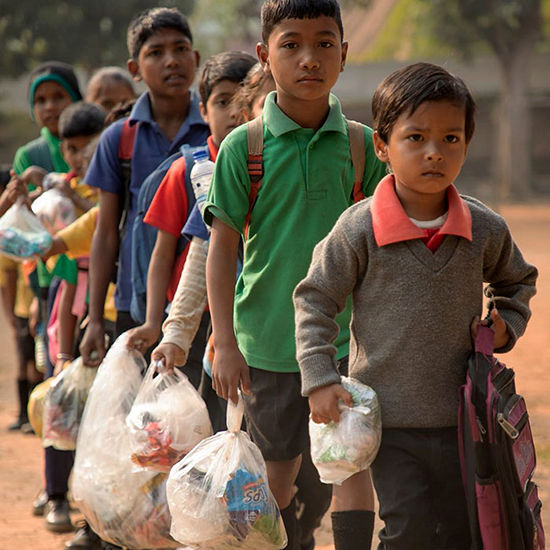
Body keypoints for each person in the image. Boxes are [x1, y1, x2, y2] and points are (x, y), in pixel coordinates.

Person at [293, 62, 538, 550]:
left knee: (460, 529)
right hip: (388, 420)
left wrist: (505, 326)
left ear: (467, 145)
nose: (434, 153)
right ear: (383, 147)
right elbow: (315, 298)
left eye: (451, 139)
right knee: (409, 530)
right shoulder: (358, 228)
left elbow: (518, 282)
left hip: (465, 419)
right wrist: (319, 377)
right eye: (416, 138)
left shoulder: (484, 228)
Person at [202, 1, 386, 549]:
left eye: (325, 43)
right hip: (268, 346)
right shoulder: (244, 147)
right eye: (292, 45)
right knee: (275, 475)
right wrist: (226, 341)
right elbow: (221, 251)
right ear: (264, 56)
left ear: (344, 55)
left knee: (352, 466)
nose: (310, 58)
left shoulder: (362, 145)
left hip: (347, 343)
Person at [79, 6, 209, 367]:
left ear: (196, 58)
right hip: (134, 303)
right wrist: (93, 316)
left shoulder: (218, 131)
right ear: (134, 69)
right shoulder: (119, 139)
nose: (172, 61)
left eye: (181, 49)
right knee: (143, 416)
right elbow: (105, 233)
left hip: (202, 300)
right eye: (156, 53)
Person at [125, 51, 257, 387]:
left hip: (255, 315)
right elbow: (165, 253)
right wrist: (157, 322)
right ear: (203, 110)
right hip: (199, 318)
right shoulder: (189, 171)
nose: (233, 113)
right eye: (222, 101)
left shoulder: (266, 165)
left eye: (244, 101)